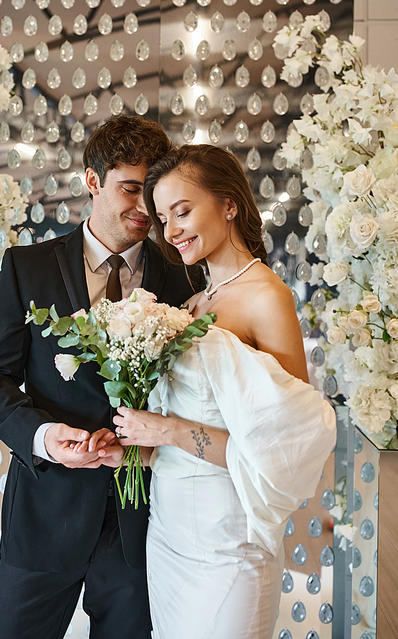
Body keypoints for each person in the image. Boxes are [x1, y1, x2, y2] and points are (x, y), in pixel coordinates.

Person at [0, 115, 204, 639]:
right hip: (45, 512)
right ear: (92, 181)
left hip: (143, 520)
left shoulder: (187, 278)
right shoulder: (25, 267)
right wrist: (44, 437)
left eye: (154, 193)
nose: (145, 209)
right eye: (130, 190)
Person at [113, 144, 337, 639]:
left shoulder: (267, 298)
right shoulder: (191, 303)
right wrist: (138, 449)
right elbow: (186, 424)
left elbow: (285, 448)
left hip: (228, 540)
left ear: (229, 203)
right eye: (163, 218)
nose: (171, 231)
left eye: (183, 211)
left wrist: (168, 431)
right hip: (168, 531)